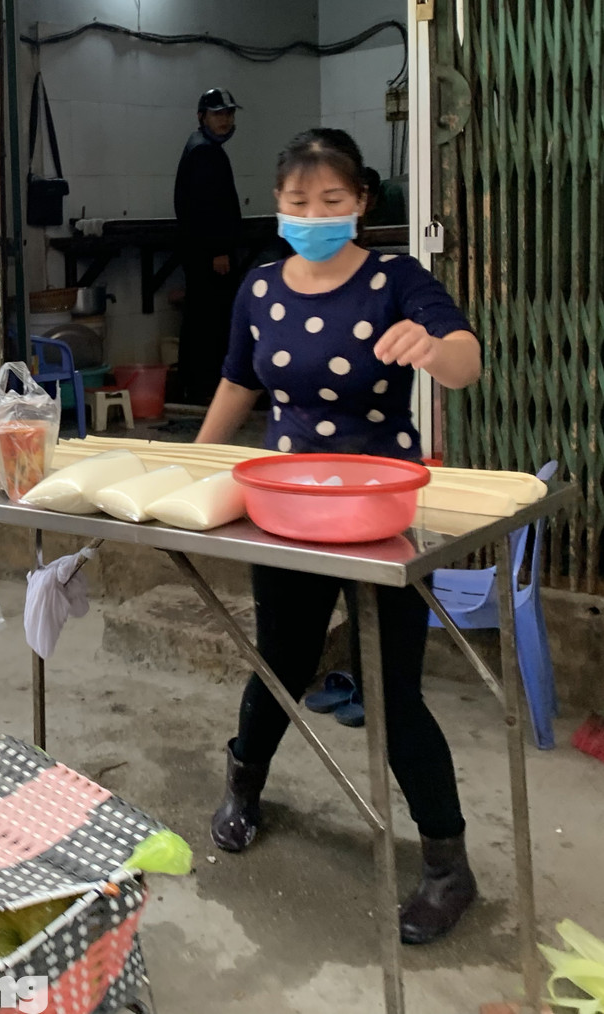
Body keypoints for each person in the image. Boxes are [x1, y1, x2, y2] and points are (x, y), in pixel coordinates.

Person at [197, 128, 483, 944]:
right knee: (281, 663)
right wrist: (192, 468)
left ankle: (447, 865)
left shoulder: (396, 279)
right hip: (287, 511)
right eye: (298, 201)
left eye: (331, 201)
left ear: (360, 203)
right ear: (277, 205)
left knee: (392, 688)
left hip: (381, 513)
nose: (313, 215)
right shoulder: (260, 288)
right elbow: (237, 382)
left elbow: (466, 360)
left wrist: (434, 349)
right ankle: (244, 786)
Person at [174, 87, 244, 405]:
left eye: (228, 113)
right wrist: (219, 249)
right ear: (202, 116)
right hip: (209, 254)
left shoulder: (201, 146)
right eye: (218, 114)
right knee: (210, 320)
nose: (225, 120)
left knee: (201, 317)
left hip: (200, 251)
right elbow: (206, 206)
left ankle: (197, 387)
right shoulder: (204, 152)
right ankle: (205, 388)